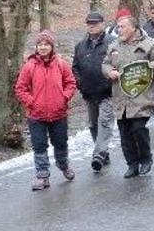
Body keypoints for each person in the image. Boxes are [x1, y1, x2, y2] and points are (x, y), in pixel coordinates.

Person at [102, 16, 154, 178]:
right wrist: (110, 72)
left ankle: (146, 158)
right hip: (120, 97)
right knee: (125, 133)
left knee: (138, 128)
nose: (119, 30)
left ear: (134, 28)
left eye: (122, 27)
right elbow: (105, 63)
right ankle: (132, 164)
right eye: (118, 27)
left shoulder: (150, 44)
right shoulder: (114, 46)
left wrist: (145, 68)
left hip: (141, 96)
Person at [15, 30, 77, 191]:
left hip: (59, 113)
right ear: (36, 47)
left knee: (60, 143)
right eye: (40, 44)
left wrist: (64, 97)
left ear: (52, 46)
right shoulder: (29, 66)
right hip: (36, 115)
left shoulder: (61, 64)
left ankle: (64, 166)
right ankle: (42, 176)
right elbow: (20, 89)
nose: (43, 47)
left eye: (46, 44)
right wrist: (32, 102)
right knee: (39, 146)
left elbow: (71, 83)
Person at [72, 12, 114, 172]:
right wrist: (79, 83)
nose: (92, 25)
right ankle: (104, 152)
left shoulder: (112, 43)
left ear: (102, 24)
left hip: (107, 92)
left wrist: (111, 80)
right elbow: (75, 68)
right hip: (88, 92)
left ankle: (98, 155)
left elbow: (118, 63)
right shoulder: (80, 46)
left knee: (105, 123)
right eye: (89, 23)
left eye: (95, 23)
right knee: (93, 125)